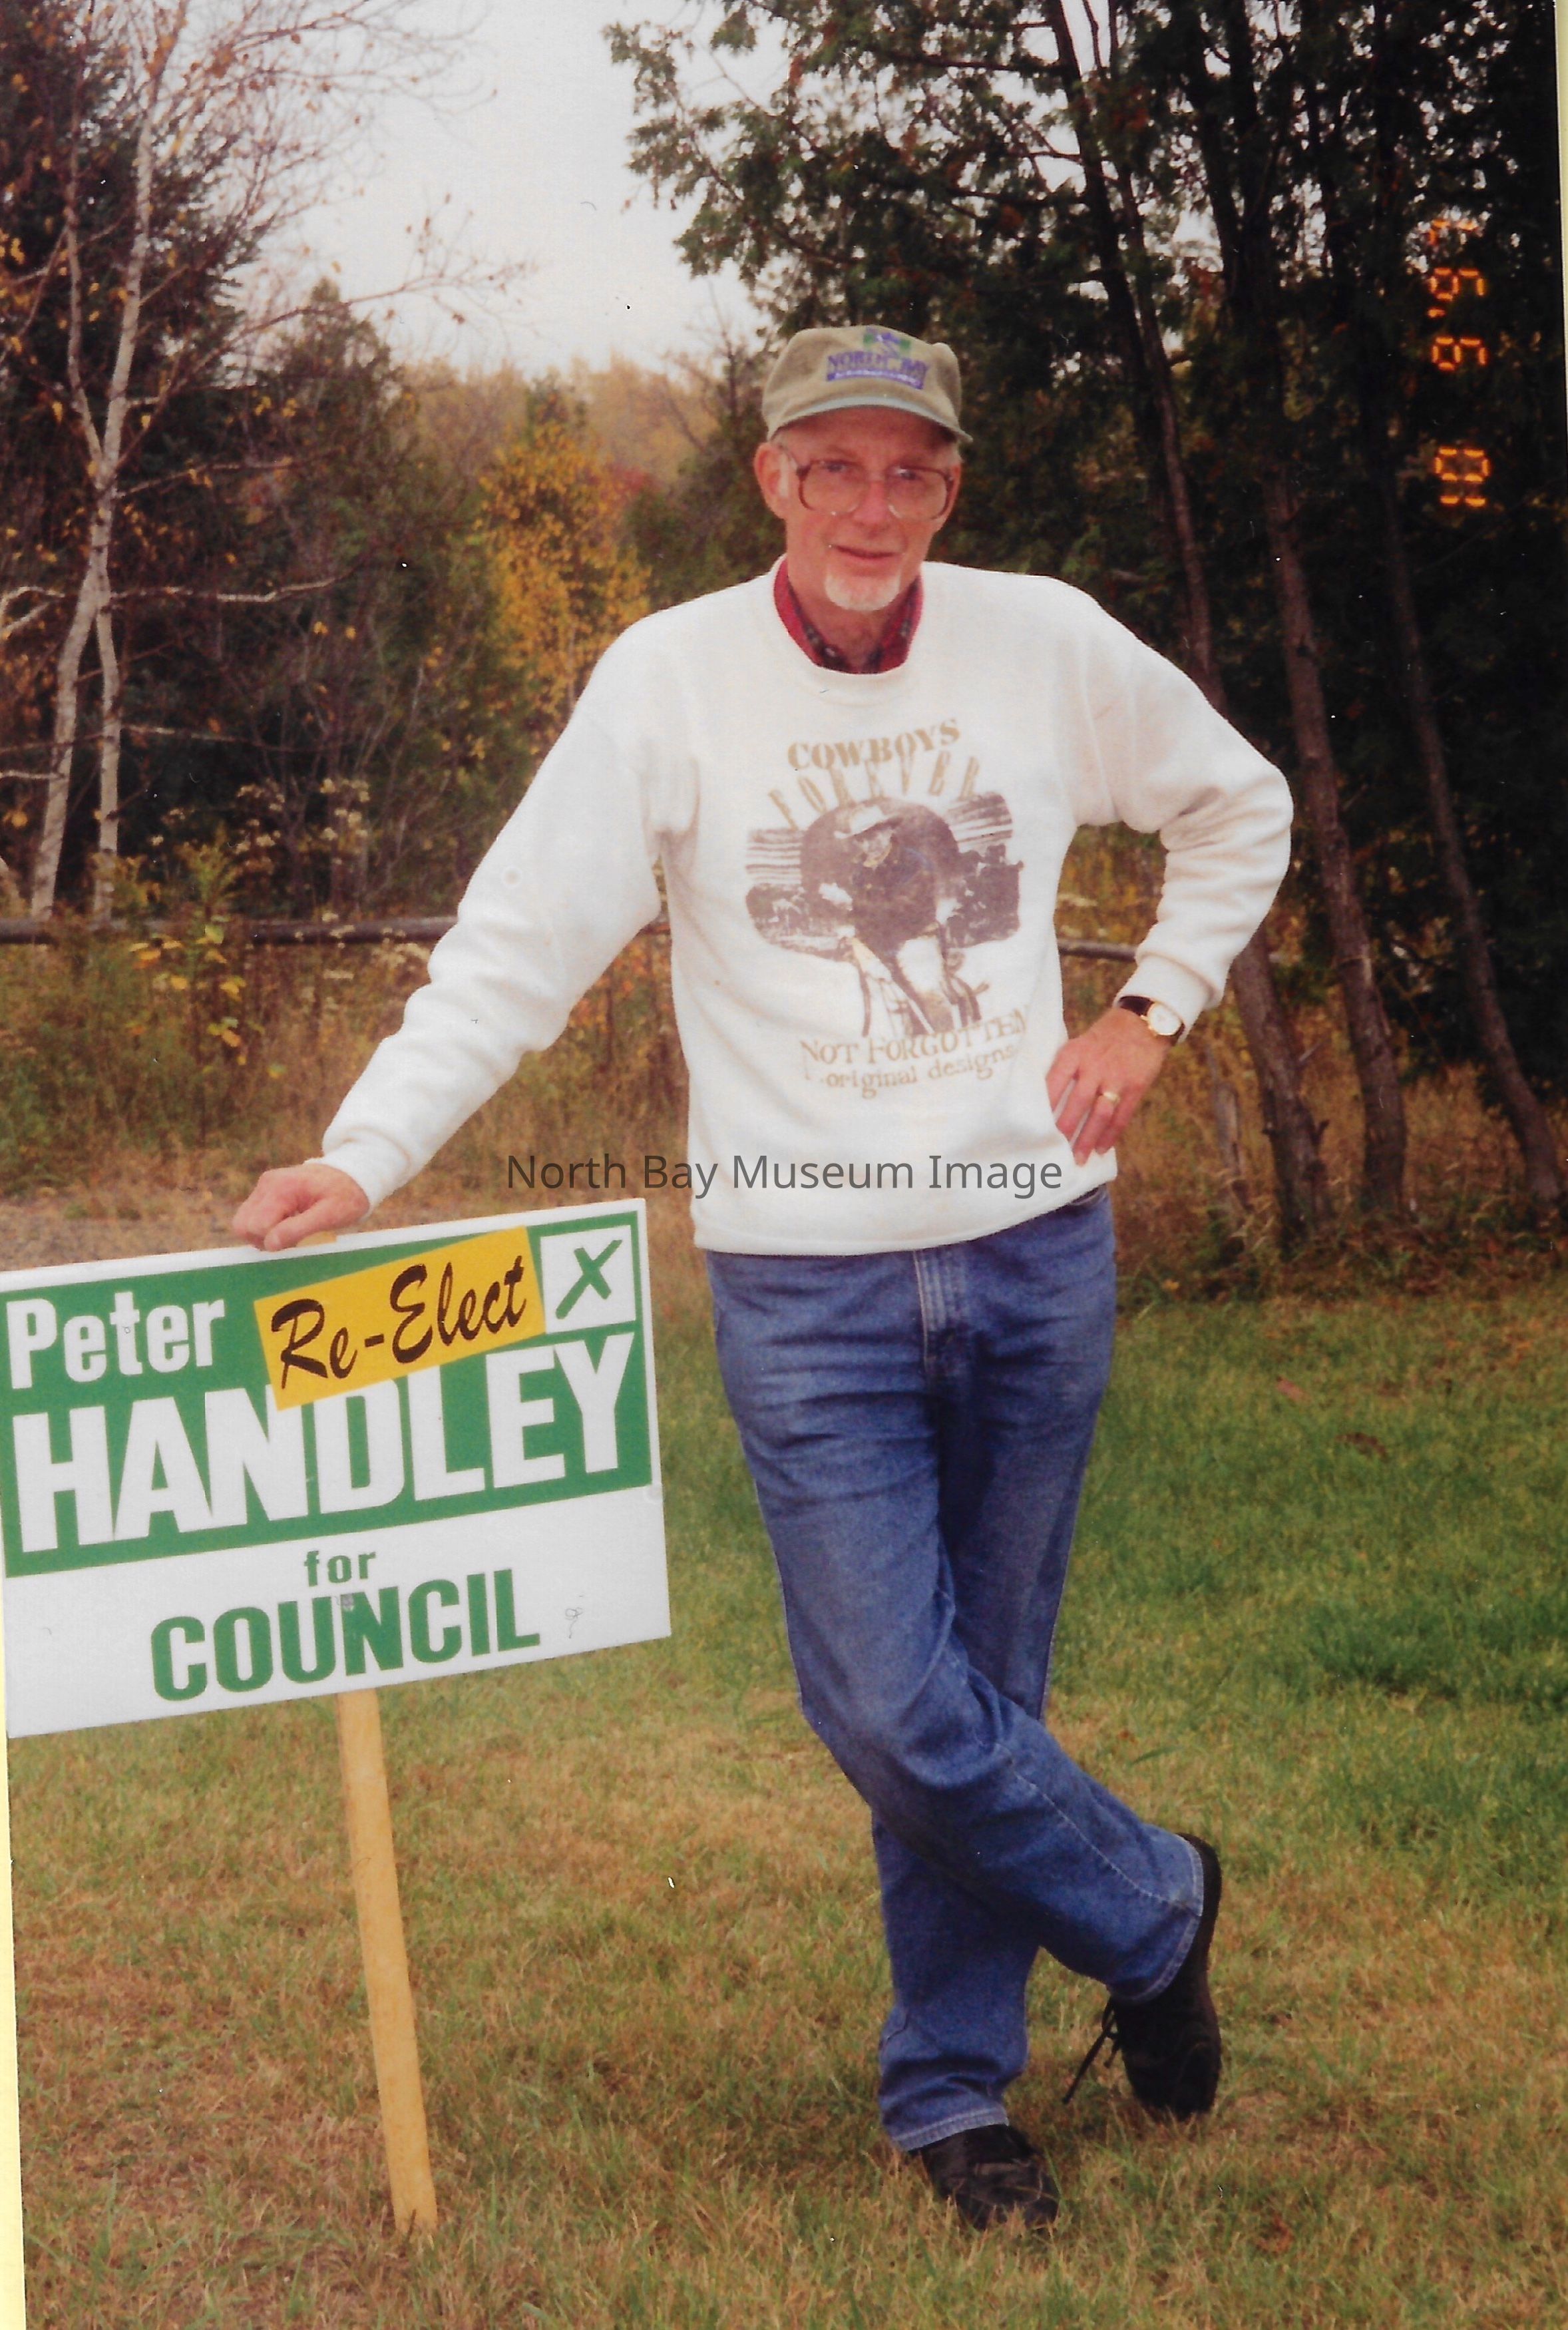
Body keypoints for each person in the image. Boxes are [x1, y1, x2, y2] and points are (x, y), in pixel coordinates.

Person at [234, 325, 1291, 2233]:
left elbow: (1241, 806)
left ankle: (950, 2089)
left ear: (947, 487)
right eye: (833, 469)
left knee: (987, 1691)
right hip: (805, 1284)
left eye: (909, 472)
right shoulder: (669, 682)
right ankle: (1154, 1909)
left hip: (1033, 1249)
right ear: (771, 481)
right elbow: (516, 945)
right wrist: (363, 1148)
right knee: (890, 1704)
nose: (872, 507)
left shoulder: (1046, 642)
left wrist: (1148, 1012)